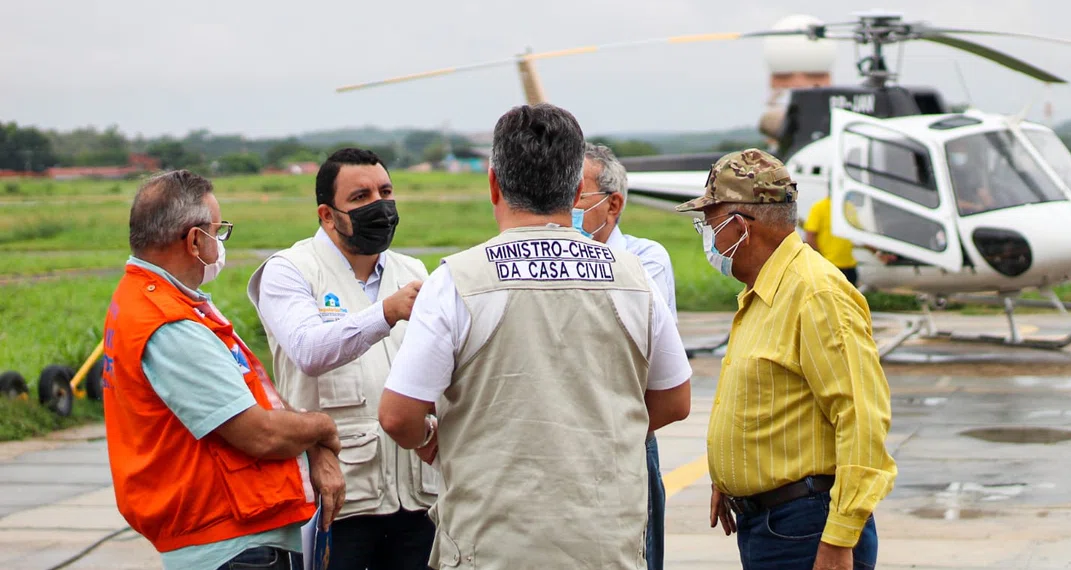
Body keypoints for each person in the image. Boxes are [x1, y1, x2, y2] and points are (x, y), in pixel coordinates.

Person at [378, 103, 693, 569]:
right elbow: (675, 400)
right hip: (605, 542)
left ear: (493, 184)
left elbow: (398, 415)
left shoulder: (458, 280)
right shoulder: (633, 276)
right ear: (572, 188)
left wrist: (433, 441)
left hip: (492, 542)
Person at [101, 170, 343, 570]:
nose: (220, 243)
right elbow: (260, 434)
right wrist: (322, 429)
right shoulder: (169, 324)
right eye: (219, 231)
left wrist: (311, 445)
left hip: (237, 532)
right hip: (233, 543)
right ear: (195, 240)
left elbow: (253, 391)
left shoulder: (167, 302)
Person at [675, 149, 897, 570]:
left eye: (709, 224)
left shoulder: (816, 294)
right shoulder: (765, 290)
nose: (708, 238)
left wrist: (838, 540)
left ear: (739, 226)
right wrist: (735, 477)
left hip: (806, 529)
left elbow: (862, 419)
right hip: (771, 522)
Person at [247, 148, 439, 570]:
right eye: (360, 197)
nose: (379, 206)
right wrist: (386, 312)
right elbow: (309, 350)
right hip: (339, 501)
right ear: (327, 215)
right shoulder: (290, 270)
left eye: (385, 192)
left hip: (418, 501)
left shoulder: (413, 271)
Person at [572, 142, 676, 570]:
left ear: (612, 204)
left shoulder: (644, 259)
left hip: (627, 440)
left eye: (574, 193)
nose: (562, 205)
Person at [802, 189, 859, 285]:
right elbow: (810, 235)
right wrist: (819, 259)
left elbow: (858, 232)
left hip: (849, 265)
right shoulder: (819, 207)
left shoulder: (849, 207)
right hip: (829, 265)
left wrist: (877, 252)